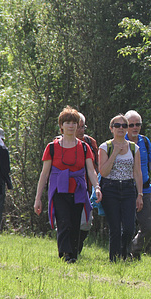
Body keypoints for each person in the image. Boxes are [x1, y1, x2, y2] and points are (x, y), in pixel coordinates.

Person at [34, 106, 101, 263]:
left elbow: (91, 170)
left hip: (78, 189)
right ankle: (65, 254)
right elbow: (44, 174)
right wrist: (38, 198)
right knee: (64, 222)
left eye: (73, 122)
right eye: (67, 122)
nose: (71, 126)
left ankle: (73, 253)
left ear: (78, 125)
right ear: (61, 126)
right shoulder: (52, 147)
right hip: (59, 190)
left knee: (76, 223)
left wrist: (97, 187)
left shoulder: (84, 147)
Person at [98, 114, 143, 262]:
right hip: (110, 189)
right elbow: (103, 172)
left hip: (129, 189)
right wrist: (115, 152)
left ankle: (124, 254)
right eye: (117, 125)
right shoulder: (105, 147)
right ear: (111, 129)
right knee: (115, 228)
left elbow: (137, 172)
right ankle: (114, 259)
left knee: (129, 228)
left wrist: (140, 194)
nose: (121, 128)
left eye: (124, 125)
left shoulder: (133, 148)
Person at [125, 110, 151, 260]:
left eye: (138, 124)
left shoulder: (145, 142)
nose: (135, 127)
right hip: (126, 190)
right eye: (132, 125)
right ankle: (124, 254)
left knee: (148, 228)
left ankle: (134, 249)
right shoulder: (120, 142)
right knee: (126, 226)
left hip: (146, 190)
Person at [75, 112, 99, 254]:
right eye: (79, 127)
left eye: (83, 127)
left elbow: (96, 165)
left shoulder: (90, 142)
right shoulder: (59, 142)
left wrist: (97, 186)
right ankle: (69, 250)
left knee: (86, 222)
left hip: (87, 188)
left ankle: (77, 246)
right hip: (68, 187)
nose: (81, 130)